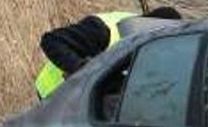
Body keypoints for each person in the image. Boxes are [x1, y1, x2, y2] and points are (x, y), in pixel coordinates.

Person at [33, 6, 181, 99]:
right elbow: (51, 41)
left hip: (83, 103)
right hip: (54, 92)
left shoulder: (145, 37)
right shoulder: (104, 29)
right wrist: (85, 70)